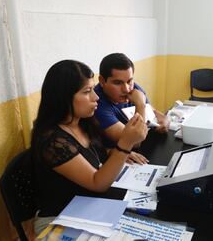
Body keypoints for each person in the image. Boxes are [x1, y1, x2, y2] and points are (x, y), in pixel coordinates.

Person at [32, 60, 147, 234]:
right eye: (87, 92)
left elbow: (89, 154)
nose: (96, 97)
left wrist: (114, 153)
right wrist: (124, 146)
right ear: (63, 97)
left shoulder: (82, 122)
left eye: (93, 89)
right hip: (59, 219)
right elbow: (97, 183)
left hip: (88, 206)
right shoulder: (52, 140)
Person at [94, 53, 170, 163]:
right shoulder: (97, 103)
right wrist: (140, 104)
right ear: (102, 81)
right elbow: (134, 142)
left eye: (129, 81)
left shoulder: (133, 87)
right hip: (112, 159)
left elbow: (152, 111)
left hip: (143, 150)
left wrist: (164, 119)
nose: (126, 89)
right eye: (118, 83)